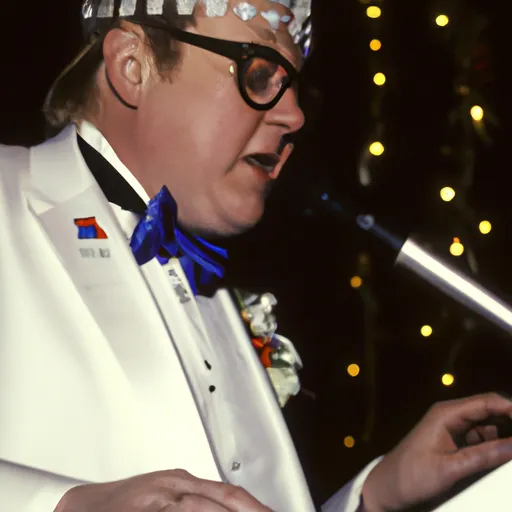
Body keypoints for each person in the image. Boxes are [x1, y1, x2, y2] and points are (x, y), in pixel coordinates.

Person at [1, 0, 512, 510]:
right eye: (259, 72)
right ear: (133, 66)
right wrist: (62, 505)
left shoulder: (216, 275)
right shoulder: (10, 199)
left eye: (293, 85)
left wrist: (373, 497)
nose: (295, 115)